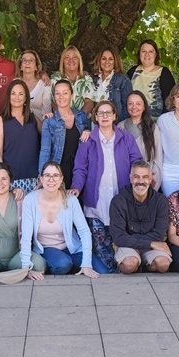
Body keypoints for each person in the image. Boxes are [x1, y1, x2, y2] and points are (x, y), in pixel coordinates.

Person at [70, 100, 142, 272]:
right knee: (102, 251)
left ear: (115, 116)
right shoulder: (88, 140)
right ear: (95, 117)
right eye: (100, 113)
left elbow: (137, 163)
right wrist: (76, 187)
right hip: (96, 203)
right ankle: (106, 279)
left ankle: (122, 271)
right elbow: (80, 168)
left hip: (122, 201)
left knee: (121, 243)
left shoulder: (126, 138)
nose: (104, 116)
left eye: (108, 112)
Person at [21, 161, 105, 279]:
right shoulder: (30, 200)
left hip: (72, 249)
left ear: (61, 179)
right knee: (63, 264)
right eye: (47, 175)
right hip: (46, 249)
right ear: (41, 179)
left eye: (56, 175)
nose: (51, 179)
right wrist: (26, 269)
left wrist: (86, 264)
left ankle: (77, 268)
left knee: (103, 272)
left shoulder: (71, 200)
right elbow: (26, 237)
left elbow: (84, 231)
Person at [110, 160, 172, 274]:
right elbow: (119, 237)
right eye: (136, 177)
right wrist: (150, 243)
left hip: (141, 243)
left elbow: (159, 234)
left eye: (145, 177)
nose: (141, 181)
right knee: (129, 264)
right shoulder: (118, 201)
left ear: (150, 179)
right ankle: (134, 264)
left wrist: (129, 238)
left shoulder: (160, 201)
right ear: (130, 178)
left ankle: (144, 266)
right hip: (134, 245)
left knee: (163, 264)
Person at [38, 80, 91, 187]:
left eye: (65, 93)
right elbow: (45, 151)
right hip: (57, 170)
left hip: (79, 170)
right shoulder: (49, 121)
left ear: (72, 95)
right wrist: (42, 176)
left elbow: (90, 144)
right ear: (54, 96)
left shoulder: (81, 116)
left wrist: (89, 131)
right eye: (57, 93)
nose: (61, 97)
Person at [0, 80, 41, 193]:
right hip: (12, 180)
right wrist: (2, 179)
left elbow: (50, 136)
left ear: (26, 98)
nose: (17, 97)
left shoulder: (33, 118)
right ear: (8, 97)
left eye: (21, 94)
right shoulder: (1, 120)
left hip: (35, 179)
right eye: (13, 93)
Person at [118, 90, 163, 190]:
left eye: (138, 104)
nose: (134, 107)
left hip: (146, 179)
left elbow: (158, 157)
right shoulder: (120, 127)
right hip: (125, 178)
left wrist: (154, 179)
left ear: (144, 107)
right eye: (130, 103)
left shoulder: (152, 128)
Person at [126, 39, 176, 120]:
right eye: (143, 51)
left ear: (156, 54)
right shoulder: (132, 71)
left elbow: (170, 101)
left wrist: (163, 121)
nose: (147, 55)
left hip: (157, 121)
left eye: (151, 51)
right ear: (139, 53)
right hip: (133, 120)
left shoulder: (164, 73)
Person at [50, 45, 96, 115]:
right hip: (62, 119)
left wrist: (79, 118)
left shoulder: (86, 79)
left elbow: (89, 102)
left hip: (83, 118)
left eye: (75, 57)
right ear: (62, 61)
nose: (71, 60)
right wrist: (66, 117)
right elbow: (53, 103)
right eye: (67, 57)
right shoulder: (55, 79)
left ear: (79, 60)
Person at [91, 47, 132, 121]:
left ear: (115, 61)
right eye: (104, 59)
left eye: (110, 59)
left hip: (115, 124)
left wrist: (120, 125)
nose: (107, 62)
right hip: (95, 123)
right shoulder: (93, 79)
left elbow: (127, 107)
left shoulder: (123, 80)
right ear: (99, 60)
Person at [16, 49, 51, 122]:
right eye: (24, 60)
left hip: (39, 125)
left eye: (31, 60)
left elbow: (47, 112)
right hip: (17, 123)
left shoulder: (44, 84)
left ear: (36, 67)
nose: (27, 63)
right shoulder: (15, 83)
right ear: (20, 66)